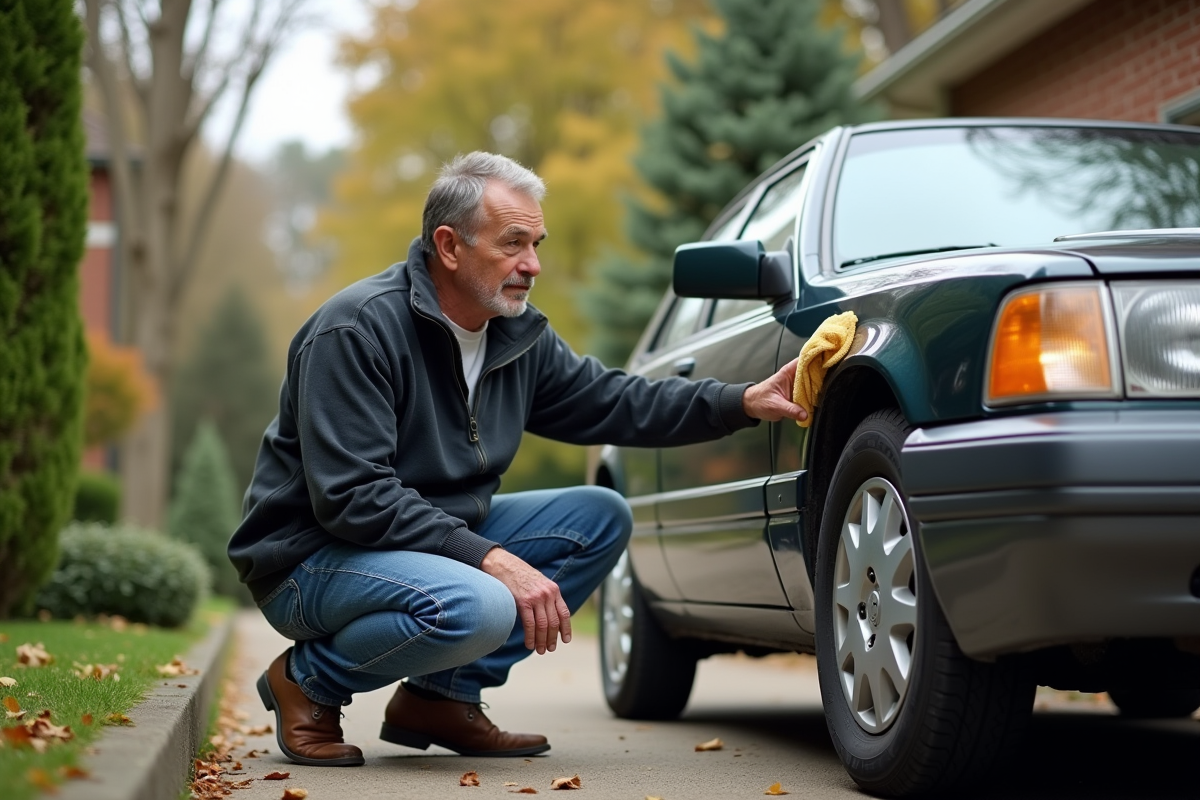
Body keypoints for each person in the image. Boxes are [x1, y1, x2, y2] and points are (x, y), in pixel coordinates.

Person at [228, 152, 807, 767]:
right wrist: (493, 560)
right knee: (479, 604)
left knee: (599, 517)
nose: (532, 265)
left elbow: (613, 401)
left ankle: (442, 699)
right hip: (310, 558)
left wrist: (740, 401)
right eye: (513, 244)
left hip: (419, 544)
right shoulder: (356, 330)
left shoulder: (516, 334)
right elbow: (353, 497)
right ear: (449, 246)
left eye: (536, 243)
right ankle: (309, 681)